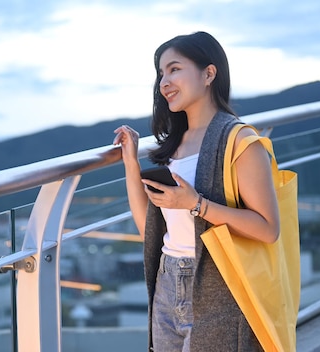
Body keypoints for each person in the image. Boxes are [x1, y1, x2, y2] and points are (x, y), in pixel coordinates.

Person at [113, 31, 279, 351]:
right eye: (161, 73)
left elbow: (268, 229)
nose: (164, 82)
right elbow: (148, 227)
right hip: (167, 279)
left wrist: (196, 204)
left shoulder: (240, 142)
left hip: (217, 283)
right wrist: (131, 162)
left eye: (174, 69)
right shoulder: (175, 146)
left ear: (208, 73)